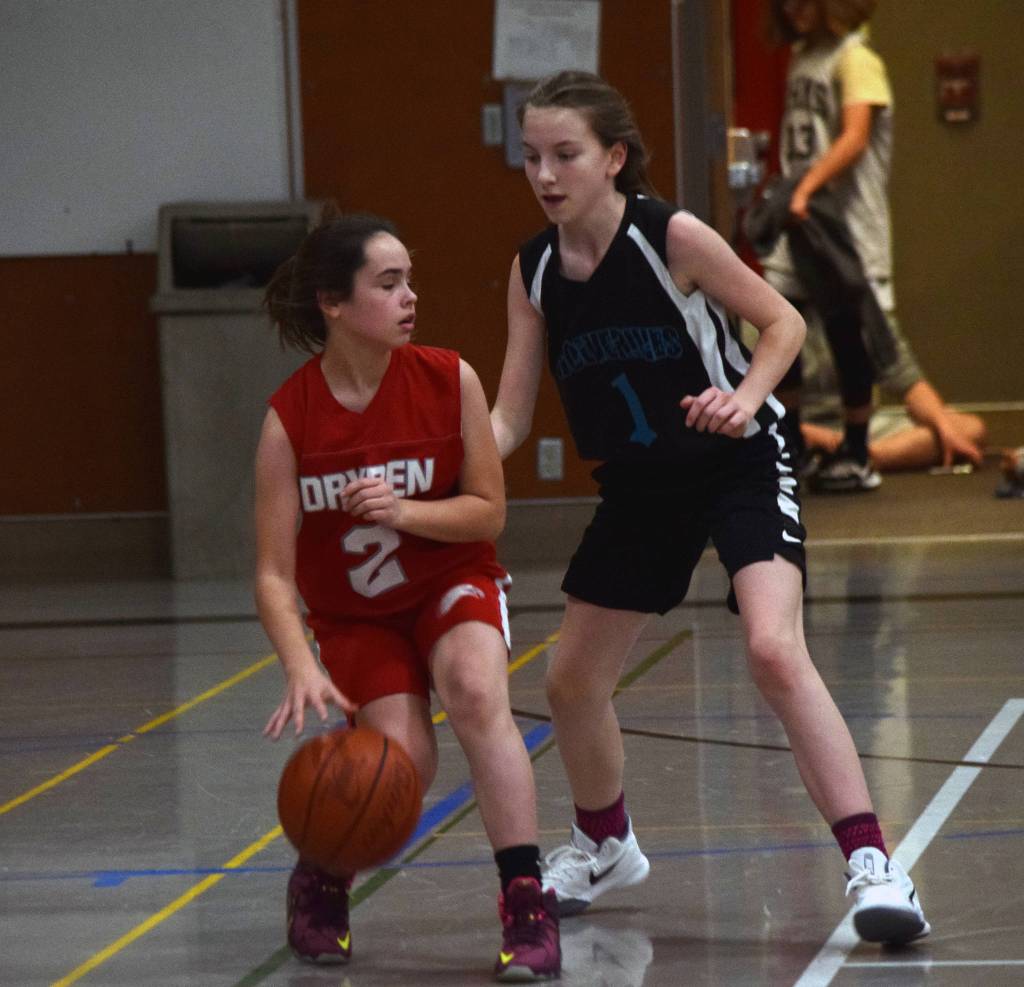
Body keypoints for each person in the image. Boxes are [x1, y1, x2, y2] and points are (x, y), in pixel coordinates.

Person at [489, 69, 930, 945]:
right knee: (570, 681)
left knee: (772, 647)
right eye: (532, 156)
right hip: (641, 482)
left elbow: (783, 324)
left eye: (566, 154)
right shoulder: (534, 269)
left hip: (738, 459)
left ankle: (876, 865)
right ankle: (605, 842)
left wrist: (744, 397)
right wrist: (435, 468)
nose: (545, 174)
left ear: (614, 158)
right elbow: (507, 417)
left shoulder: (671, 236)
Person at [254, 209, 560, 981]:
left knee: (475, 691)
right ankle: (323, 874)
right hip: (357, 615)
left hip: (451, 580)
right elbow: (273, 573)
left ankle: (527, 901)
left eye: (409, 280)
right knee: (400, 760)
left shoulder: (450, 379)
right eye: (388, 283)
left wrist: (404, 510)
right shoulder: (290, 420)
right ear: (333, 302)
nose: (409, 297)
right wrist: (299, 664)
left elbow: (488, 512)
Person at [757, 0, 901, 493]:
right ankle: (791, 441)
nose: (793, 10)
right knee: (779, 317)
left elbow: (855, 137)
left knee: (847, 332)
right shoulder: (802, 57)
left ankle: (857, 450)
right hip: (800, 218)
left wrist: (807, 187)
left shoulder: (856, 58)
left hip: (842, 221)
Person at [797, 306, 986, 471]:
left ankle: (863, 458)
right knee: (784, 436)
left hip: (859, 427)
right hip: (799, 428)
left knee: (970, 428)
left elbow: (909, 382)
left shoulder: (863, 307)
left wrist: (945, 428)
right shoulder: (784, 312)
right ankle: (852, 457)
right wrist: (823, 438)